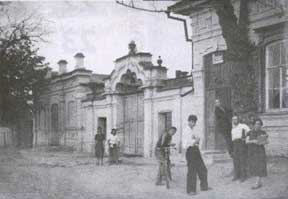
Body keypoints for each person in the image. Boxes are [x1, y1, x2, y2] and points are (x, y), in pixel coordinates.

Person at [183, 115, 211, 195]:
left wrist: (197, 141)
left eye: (194, 122)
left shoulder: (193, 130)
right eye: (192, 121)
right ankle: (191, 190)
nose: (193, 123)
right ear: (188, 121)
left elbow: (197, 140)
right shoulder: (186, 130)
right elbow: (186, 144)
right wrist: (196, 140)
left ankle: (204, 186)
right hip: (190, 151)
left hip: (196, 150)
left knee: (203, 169)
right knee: (192, 171)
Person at [246, 118, 268, 189]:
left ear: (261, 125)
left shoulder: (263, 132)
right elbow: (246, 141)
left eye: (259, 124)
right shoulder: (250, 132)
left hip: (260, 151)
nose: (257, 125)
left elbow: (267, 142)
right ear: (254, 125)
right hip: (252, 151)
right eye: (256, 124)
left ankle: (257, 183)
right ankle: (259, 182)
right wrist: (253, 141)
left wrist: (263, 141)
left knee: (260, 165)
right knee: (254, 165)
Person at [231, 115, 250, 182]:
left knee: (242, 159)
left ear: (238, 120)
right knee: (236, 160)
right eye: (233, 119)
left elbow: (249, 132)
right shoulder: (232, 128)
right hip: (235, 144)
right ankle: (236, 175)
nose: (234, 120)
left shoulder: (243, 126)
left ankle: (243, 176)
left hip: (241, 143)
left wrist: (245, 139)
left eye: (236, 119)